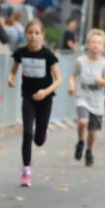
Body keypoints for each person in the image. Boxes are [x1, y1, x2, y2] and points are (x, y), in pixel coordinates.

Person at [7, 18, 62, 187]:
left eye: (37, 33)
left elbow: (59, 79)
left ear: (42, 35)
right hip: (28, 97)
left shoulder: (48, 55)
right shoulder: (21, 53)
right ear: (25, 35)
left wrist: (45, 92)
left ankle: (43, 132)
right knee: (27, 132)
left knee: (38, 139)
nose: (33, 36)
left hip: (45, 98)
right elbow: (13, 72)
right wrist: (11, 79)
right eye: (30, 32)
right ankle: (26, 170)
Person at [68, 28, 105, 168]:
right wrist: (71, 85)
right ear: (87, 44)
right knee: (82, 121)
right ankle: (80, 141)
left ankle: (89, 151)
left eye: (99, 42)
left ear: (103, 46)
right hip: (83, 97)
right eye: (93, 42)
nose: (95, 45)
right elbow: (73, 75)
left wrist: (102, 81)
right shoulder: (80, 61)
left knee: (92, 131)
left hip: (98, 100)